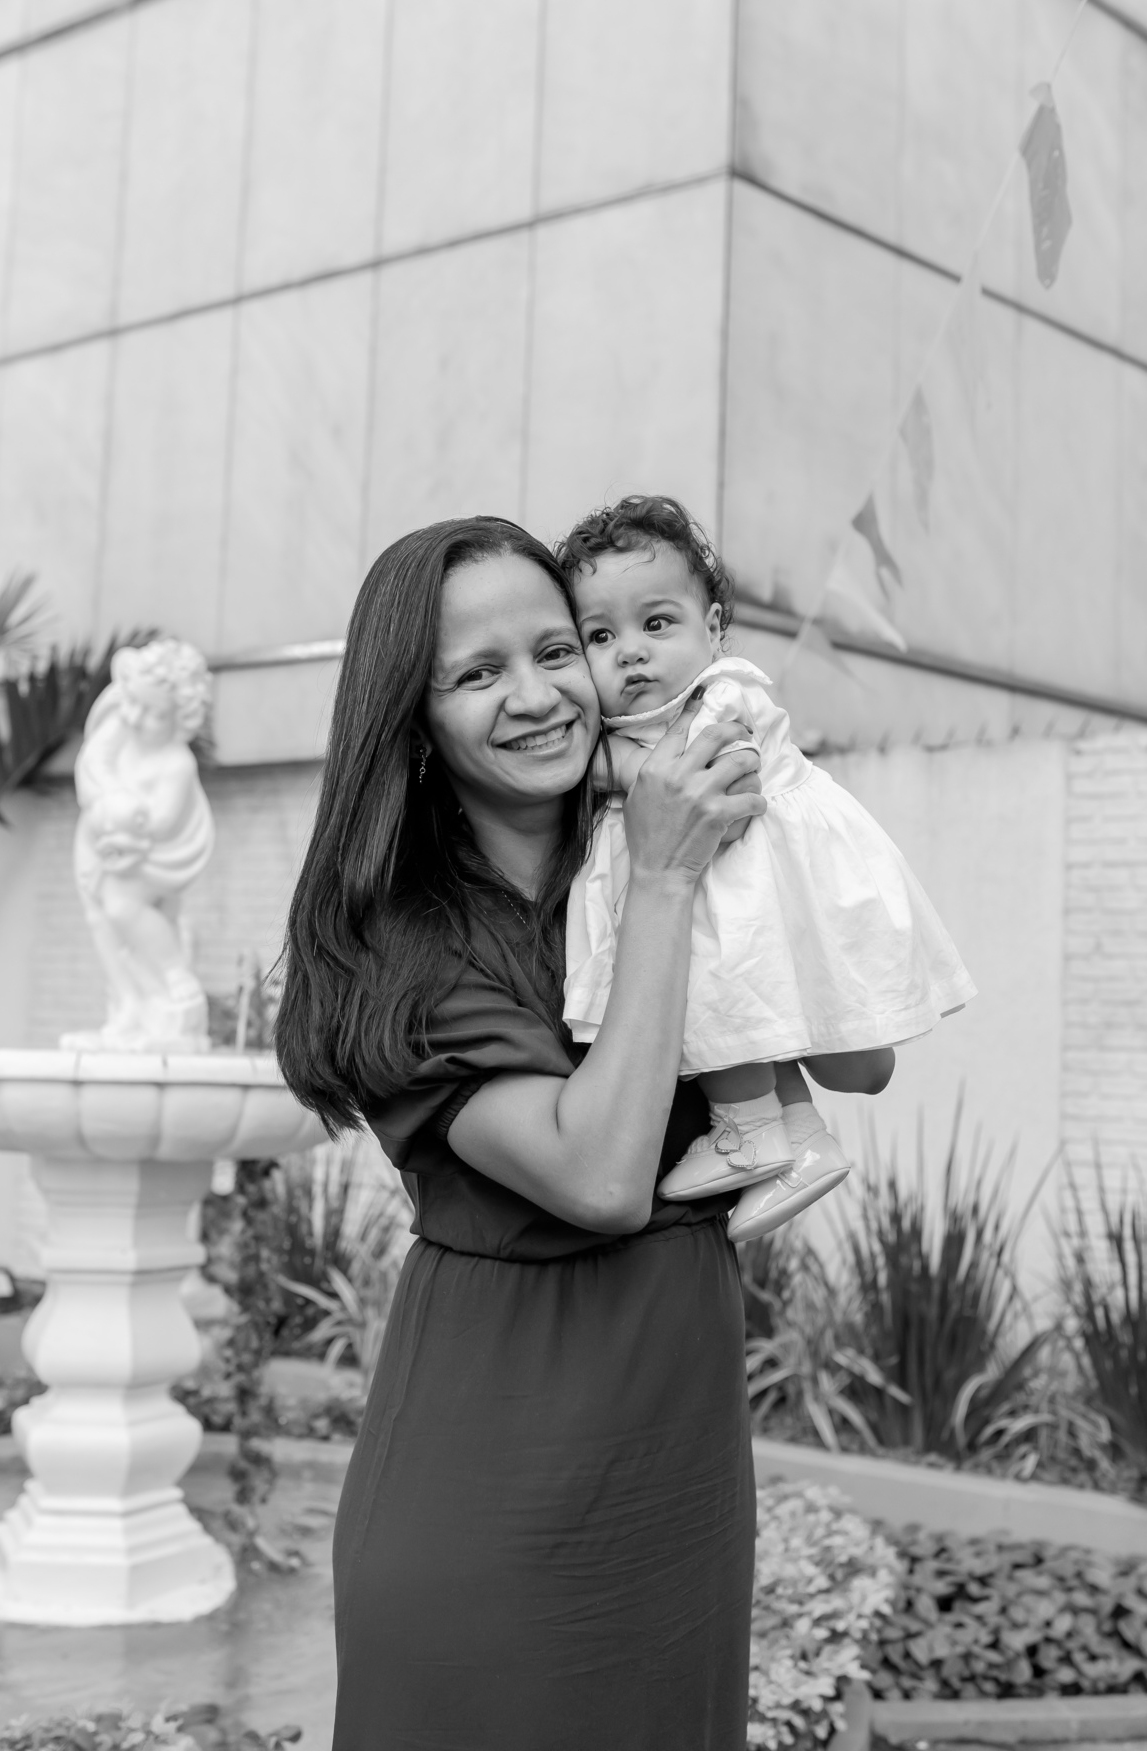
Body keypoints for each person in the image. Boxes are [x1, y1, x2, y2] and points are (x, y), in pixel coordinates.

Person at [275, 517, 768, 1750]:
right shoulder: (398, 948)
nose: (540, 697)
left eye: (557, 651)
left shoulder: (643, 853)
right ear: (415, 718)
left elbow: (860, 1061)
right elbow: (600, 1178)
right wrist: (666, 881)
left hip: (679, 1473)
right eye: (479, 673)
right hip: (494, 1486)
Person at [557, 495, 976, 1243]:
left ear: (714, 629)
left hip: (750, 872)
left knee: (716, 978)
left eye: (657, 623)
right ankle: (801, 1139)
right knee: (727, 997)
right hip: (731, 876)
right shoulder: (634, 720)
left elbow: (721, 776)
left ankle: (746, 1128)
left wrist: (611, 766)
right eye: (601, 635)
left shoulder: (724, 693)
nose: (630, 651)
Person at [63, 638, 214, 1052]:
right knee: (100, 918)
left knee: (122, 907)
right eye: (132, 702)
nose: (135, 716)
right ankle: (127, 1004)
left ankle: (173, 975)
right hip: (98, 841)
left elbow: (162, 819)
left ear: (181, 717)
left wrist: (128, 813)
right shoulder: (119, 728)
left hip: (146, 856)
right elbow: (92, 764)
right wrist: (112, 800)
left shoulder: (176, 763)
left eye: (154, 712)